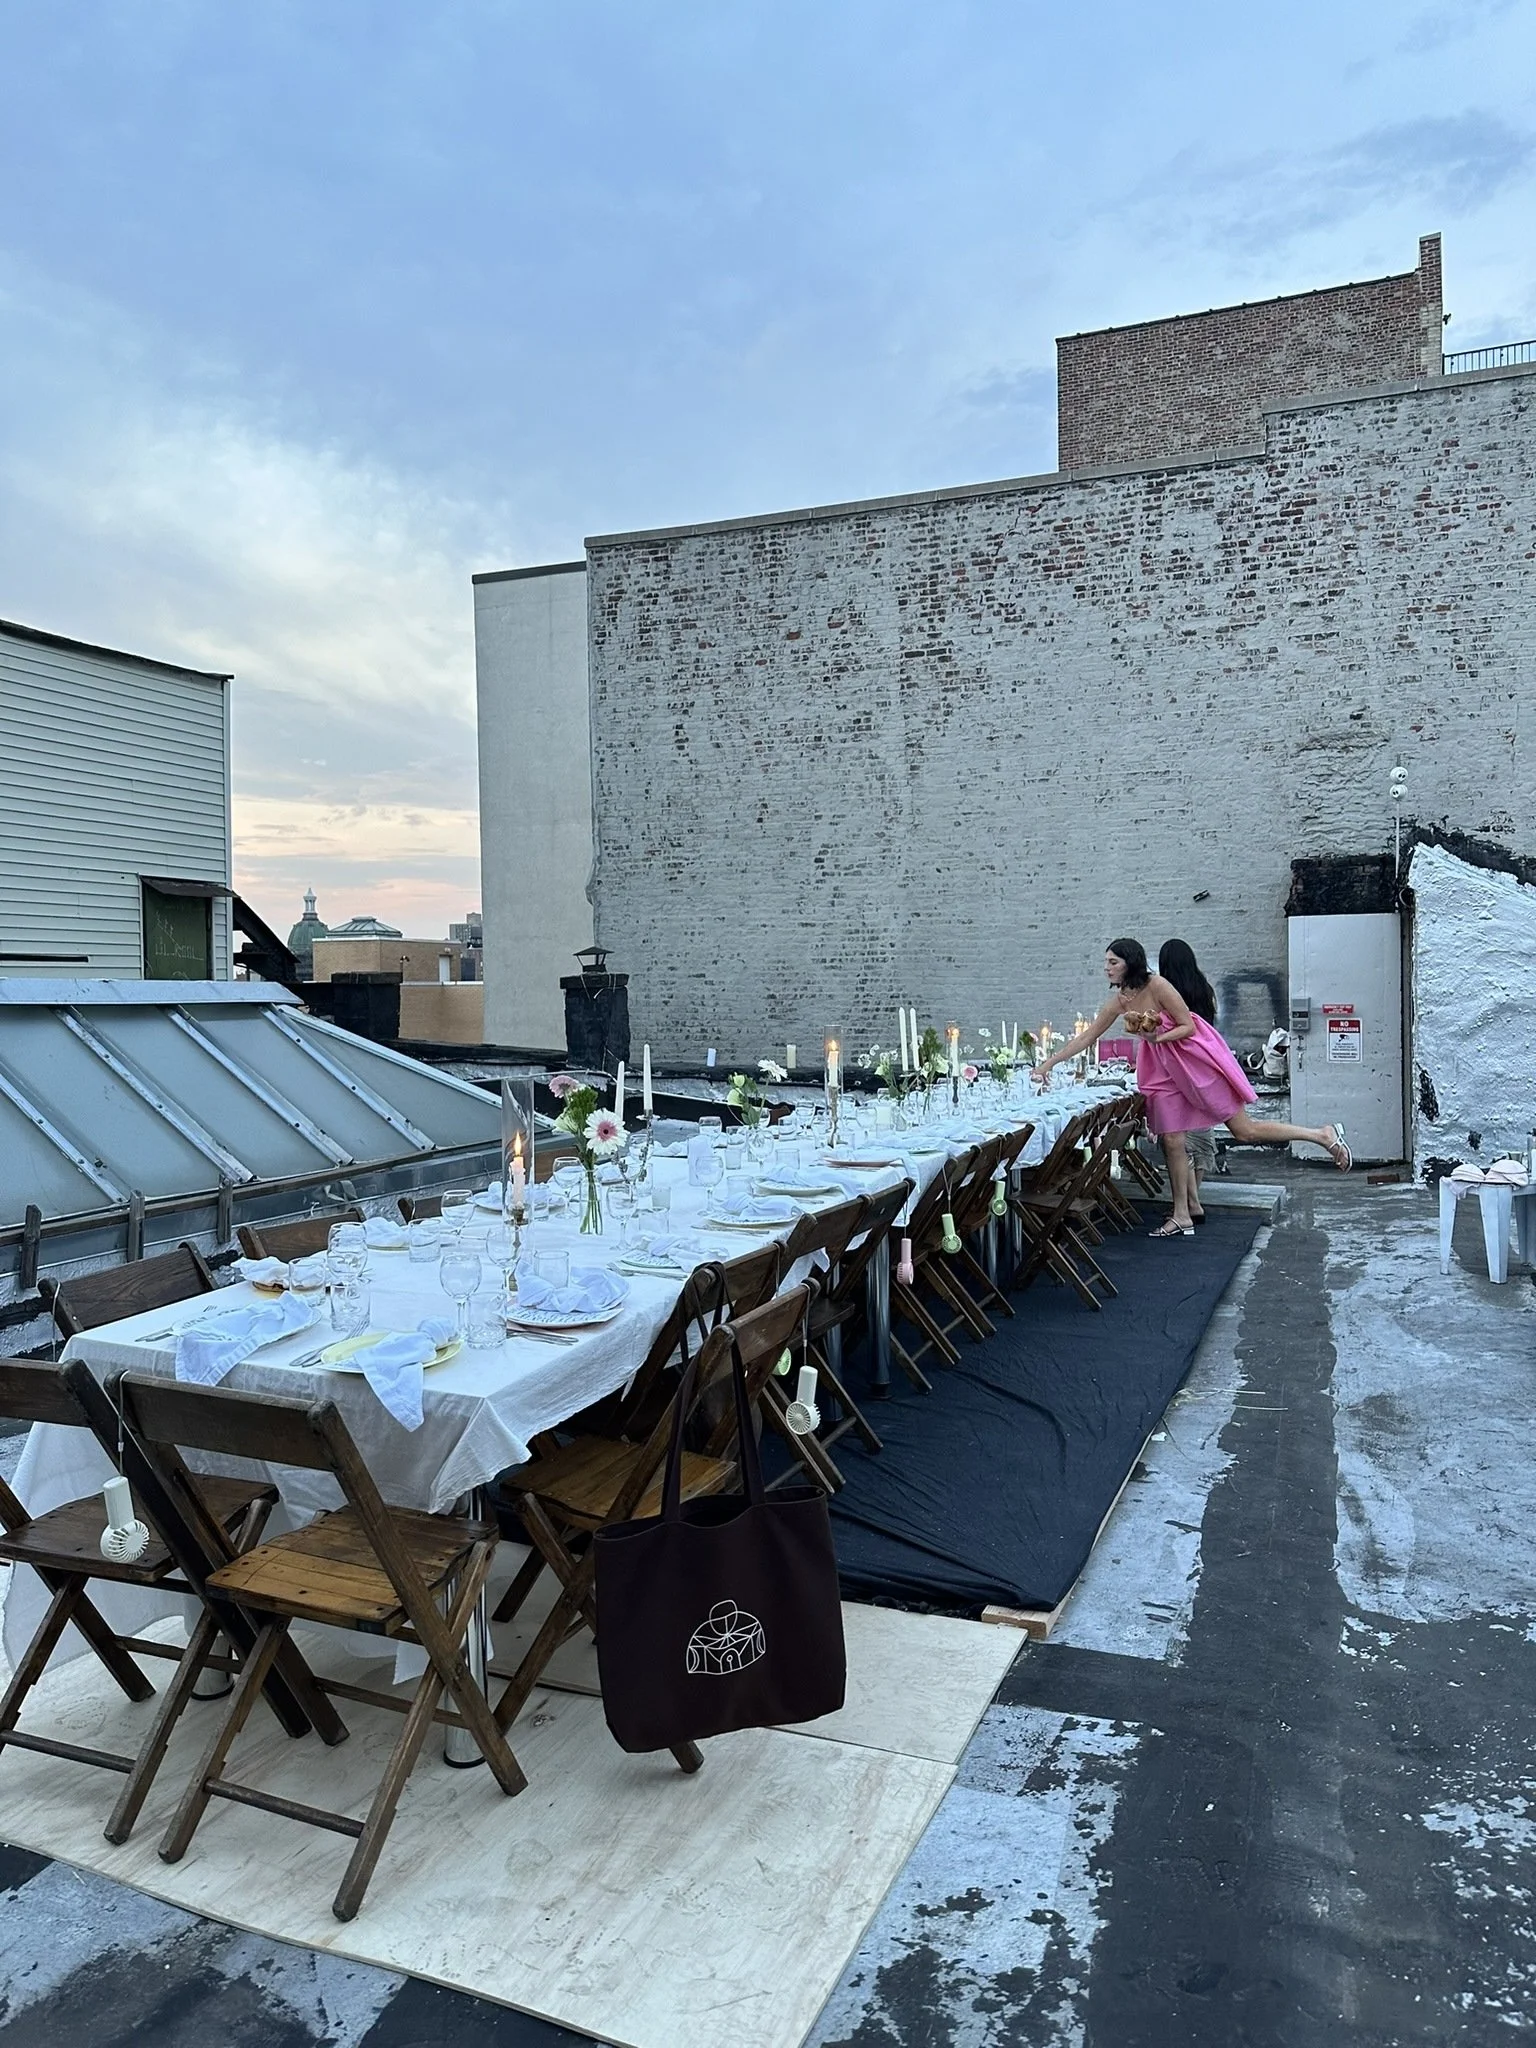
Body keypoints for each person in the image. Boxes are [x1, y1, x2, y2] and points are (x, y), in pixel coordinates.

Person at [1034, 937, 1350, 1238]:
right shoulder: (1120, 1000)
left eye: (1112, 962)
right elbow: (1088, 1036)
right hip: (1162, 1072)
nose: (1106, 967)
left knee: (1244, 1131)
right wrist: (1049, 1063)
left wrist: (1157, 1037)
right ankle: (1182, 1213)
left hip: (1195, 1064)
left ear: (1130, 963)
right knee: (1172, 1141)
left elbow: (1188, 1025)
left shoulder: (1158, 985)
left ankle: (1320, 1135)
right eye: (1106, 962)